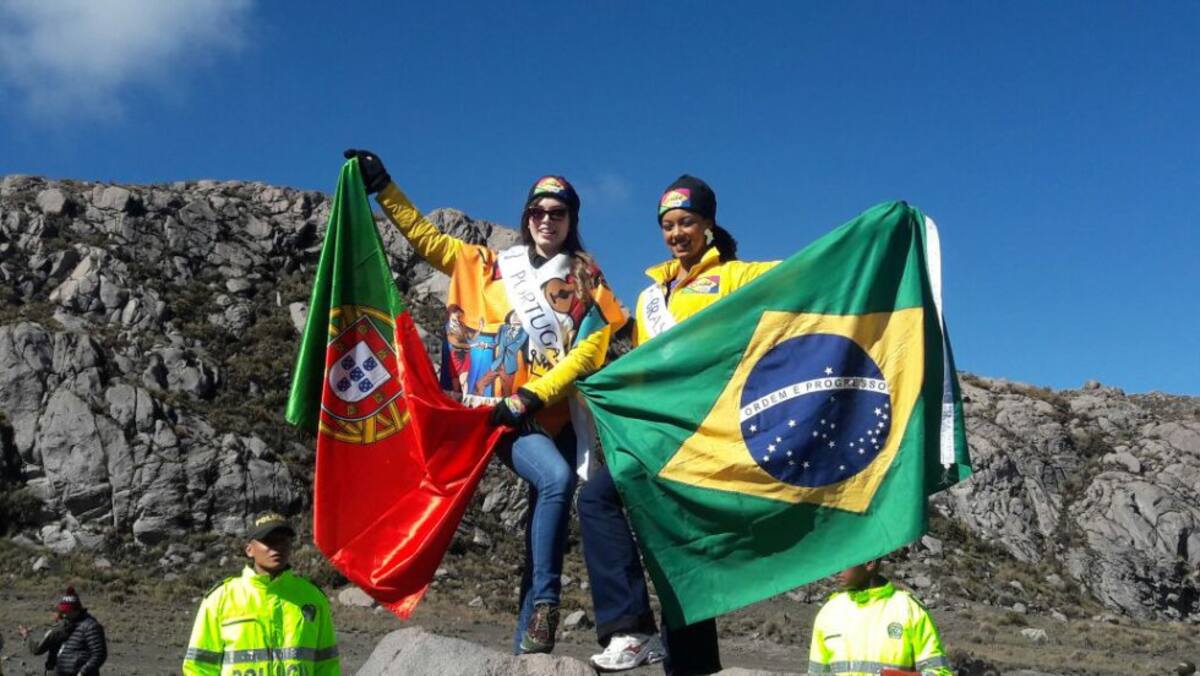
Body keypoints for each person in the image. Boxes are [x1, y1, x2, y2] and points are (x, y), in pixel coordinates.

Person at [342, 149, 626, 654]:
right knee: (556, 480)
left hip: (550, 413)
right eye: (537, 212)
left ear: (571, 221)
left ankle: (528, 648)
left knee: (551, 517)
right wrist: (385, 185)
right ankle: (545, 605)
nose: (546, 221)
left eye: (557, 213)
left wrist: (533, 396)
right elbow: (424, 239)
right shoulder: (485, 263)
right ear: (526, 217)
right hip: (492, 411)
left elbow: (591, 351)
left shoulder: (587, 280)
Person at [579, 175, 777, 673]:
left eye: (686, 221)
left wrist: (869, 240)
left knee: (619, 509)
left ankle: (635, 629)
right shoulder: (652, 294)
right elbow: (644, 359)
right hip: (659, 431)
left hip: (706, 432)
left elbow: (803, 276)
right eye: (667, 225)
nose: (676, 233)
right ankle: (666, 649)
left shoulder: (736, 277)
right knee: (660, 541)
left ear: (709, 224)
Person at [182, 512, 340, 675]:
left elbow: (327, 665)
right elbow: (199, 667)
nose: (277, 547)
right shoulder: (221, 598)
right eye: (269, 541)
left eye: (283, 541)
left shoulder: (312, 597)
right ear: (249, 550)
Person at [807, 558, 951, 675]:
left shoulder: (909, 609)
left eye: (845, 561)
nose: (837, 569)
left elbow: (939, 671)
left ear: (869, 563)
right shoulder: (829, 612)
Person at [18, 586, 107, 675]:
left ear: (75, 610)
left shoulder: (90, 626)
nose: (64, 614)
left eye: (66, 611)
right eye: (62, 611)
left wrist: (83, 672)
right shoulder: (63, 625)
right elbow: (38, 649)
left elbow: (99, 654)